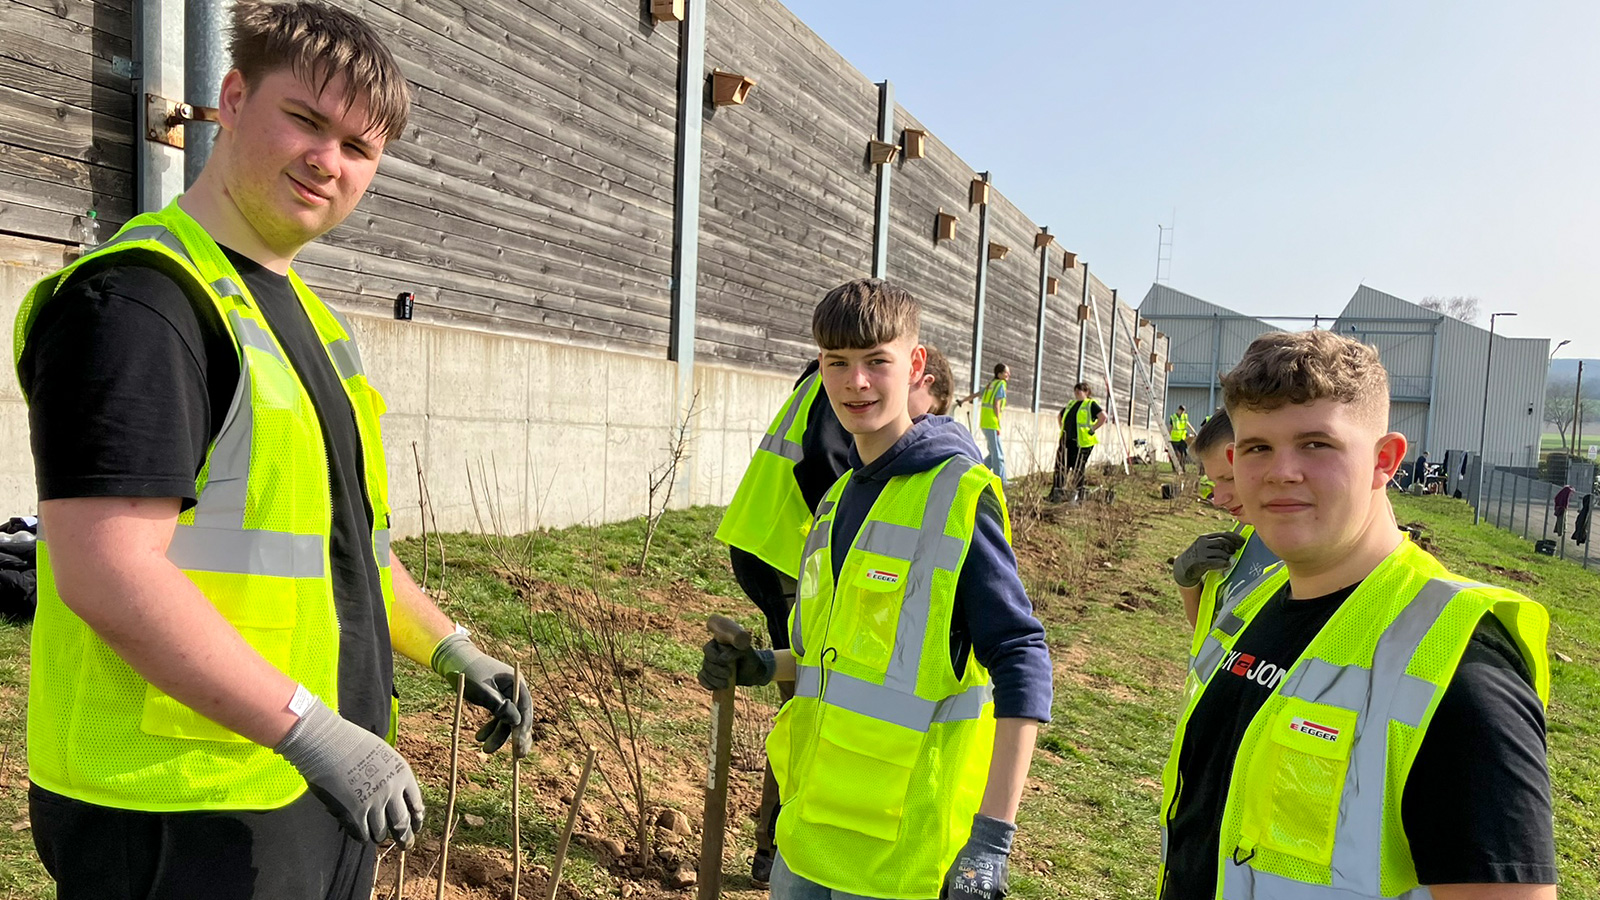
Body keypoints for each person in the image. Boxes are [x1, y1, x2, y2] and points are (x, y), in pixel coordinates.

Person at [14, 5, 532, 897]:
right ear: (235, 97)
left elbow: (345, 549)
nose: (328, 161)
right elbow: (106, 572)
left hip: (296, 784)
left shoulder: (305, 321)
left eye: (359, 149)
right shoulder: (144, 307)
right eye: (307, 120)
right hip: (177, 808)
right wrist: (311, 731)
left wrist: (452, 649)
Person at [1158, 330, 1555, 900]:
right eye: (1257, 447)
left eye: (1316, 444)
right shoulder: (1255, 601)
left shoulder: (1458, 670)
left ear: (1384, 460)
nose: (1280, 472)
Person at [700, 279, 1051, 900]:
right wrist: (765, 665)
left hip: (901, 847)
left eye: (875, 362)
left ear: (915, 366)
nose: (855, 382)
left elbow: (1022, 658)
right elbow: (838, 662)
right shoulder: (837, 501)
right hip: (811, 824)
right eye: (837, 363)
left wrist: (993, 835)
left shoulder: (957, 494)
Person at [1170, 410, 1278, 643]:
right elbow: (1214, 636)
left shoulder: (1313, 559)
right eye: (1214, 482)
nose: (1217, 499)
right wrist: (1186, 582)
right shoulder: (1246, 533)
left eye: (1230, 479)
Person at [1049, 382, 1107, 502]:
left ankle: (1078, 496)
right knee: (1060, 467)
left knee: (1078, 469)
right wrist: (1063, 429)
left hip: (1082, 443)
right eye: (1075, 391)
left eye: (1079, 391)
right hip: (1066, 440)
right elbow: (1060, 416)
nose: (1076, 393)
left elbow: (1103, 417)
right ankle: (1056, 494)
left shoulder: (1090, 404)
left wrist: (1092, 429)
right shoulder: (1071, 404)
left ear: (1087, 392)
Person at [958, 363, 1009, 482]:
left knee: (992, 454)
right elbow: (997, 403)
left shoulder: (990, 385)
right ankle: (1002, 481)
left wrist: (962, 400)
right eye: (1006, 372)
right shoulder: (1001, 384)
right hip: (992, 423)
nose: (1008, 375)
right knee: (998, 455)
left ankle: (976, 473)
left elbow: (976, 395)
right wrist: (998, 421)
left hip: (984, 423)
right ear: (999, 374)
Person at [1168, 405, 1194, 472]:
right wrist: (1168, 436)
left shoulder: (1184, 417)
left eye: (1183, 411)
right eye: (1181, 411)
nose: (1182, 412)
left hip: (1182, 438)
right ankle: (1175, 468)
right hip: (1174, 439)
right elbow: (1170, 427)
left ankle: (1182, 468)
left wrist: (1193, 431)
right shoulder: (1173, 417)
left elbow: (1187, 424)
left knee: (1184, 454)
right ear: (1178, 410)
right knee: (1177, 454)